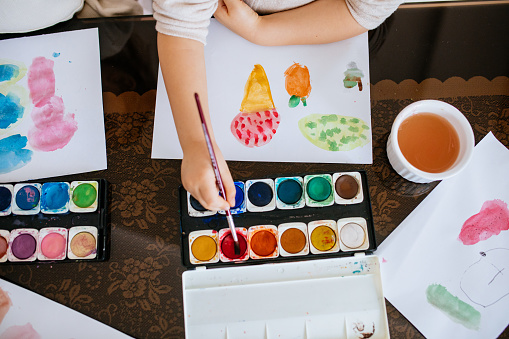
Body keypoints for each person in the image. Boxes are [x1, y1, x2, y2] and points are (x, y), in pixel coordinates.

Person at [154, 0, 402, 212]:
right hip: (219, 25)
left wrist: (261, 30)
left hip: (339, 28)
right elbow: (181, 26)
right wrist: (196, 142)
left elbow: (364, 9)